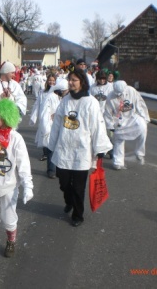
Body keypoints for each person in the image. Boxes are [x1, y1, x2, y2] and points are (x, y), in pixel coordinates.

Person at [48, 67, 112, 227]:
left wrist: (100, 149)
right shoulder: (65, 101)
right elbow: (57, 124)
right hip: (64, 148)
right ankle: (69, 201)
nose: (70, 83)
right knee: (63, 183)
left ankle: (78, 214)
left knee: (78, 187)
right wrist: (52, 144)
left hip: (81, 151)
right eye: (69, 80)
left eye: (74, 80)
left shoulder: (91, 103)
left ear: (82, 82)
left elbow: (97, 126)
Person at [0, 99, 34, 278]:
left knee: (9, 218)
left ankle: (11, 241)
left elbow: (23, 164)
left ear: (6, 117)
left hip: (9, 186)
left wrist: (27, 185)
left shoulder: (16, 139)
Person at [104, 80, 150, 170]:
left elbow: (140, 103)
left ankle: (139, 153)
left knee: (142, 126)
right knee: (118, 139)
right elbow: (108, 113)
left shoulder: (132, 91)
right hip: (119, 120)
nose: (119, 95)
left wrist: (144, 116)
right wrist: (111, 126)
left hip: (132, 117)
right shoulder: (110, 97)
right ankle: (118, 161)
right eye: (117, 93)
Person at [31, 78, 69, 179]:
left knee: (61, 149)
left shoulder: (65, 98)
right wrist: (46, 128)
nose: (67, 93)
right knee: (51, 149)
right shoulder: (50, 97)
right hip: (51, 127)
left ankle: (60, 169)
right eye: (65, 91)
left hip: (63, 126)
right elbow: (44, 113)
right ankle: (51, 170)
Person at [30, 73, 56, 163]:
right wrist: (34, 117)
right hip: (44, 117)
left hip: (54, 117)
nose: (51, 82)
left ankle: (52, 153)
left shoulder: (57, 92)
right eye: (50, 80)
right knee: (44, 133)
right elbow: (37, 105)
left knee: (53, 135)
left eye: (53, 80)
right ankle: (45, 153)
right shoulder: (43, 92)